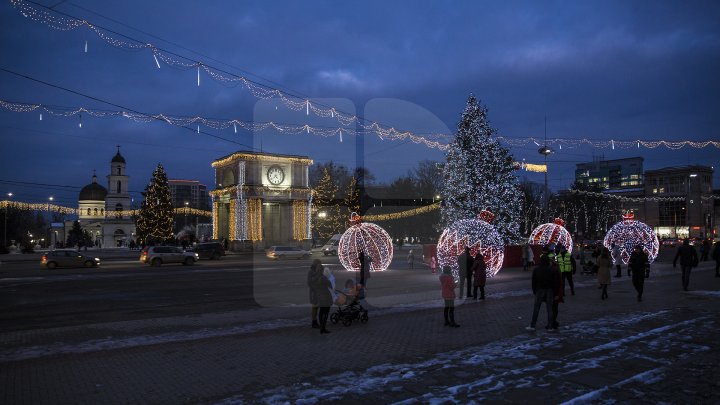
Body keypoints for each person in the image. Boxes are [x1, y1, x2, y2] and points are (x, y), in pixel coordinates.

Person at [526, 255, 555, 331]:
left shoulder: (536, 269)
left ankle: (533, 325)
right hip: (549, 290)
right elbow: (554, 281)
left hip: (539, 290)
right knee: (549, 309)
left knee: (536, 308)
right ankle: (550, 326)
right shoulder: (551, 269)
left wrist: (534, 290)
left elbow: (534, 281)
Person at [308, 259, 333, 333]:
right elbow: (329, 284)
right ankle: (318, 324)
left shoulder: (315, 275)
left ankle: (319, 324)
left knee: (320, 310)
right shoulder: (316, 274)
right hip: (320, 295)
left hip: (317, 294)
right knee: (319, 309)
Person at [307, 259, 324, 328]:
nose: (319, 265)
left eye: (320, 264)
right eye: (317, 264)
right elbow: (309, 283)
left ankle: (319, 321)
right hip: (315, 292)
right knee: (315, 307)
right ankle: (314, 322)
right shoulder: (311, 272)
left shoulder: (321, 270)